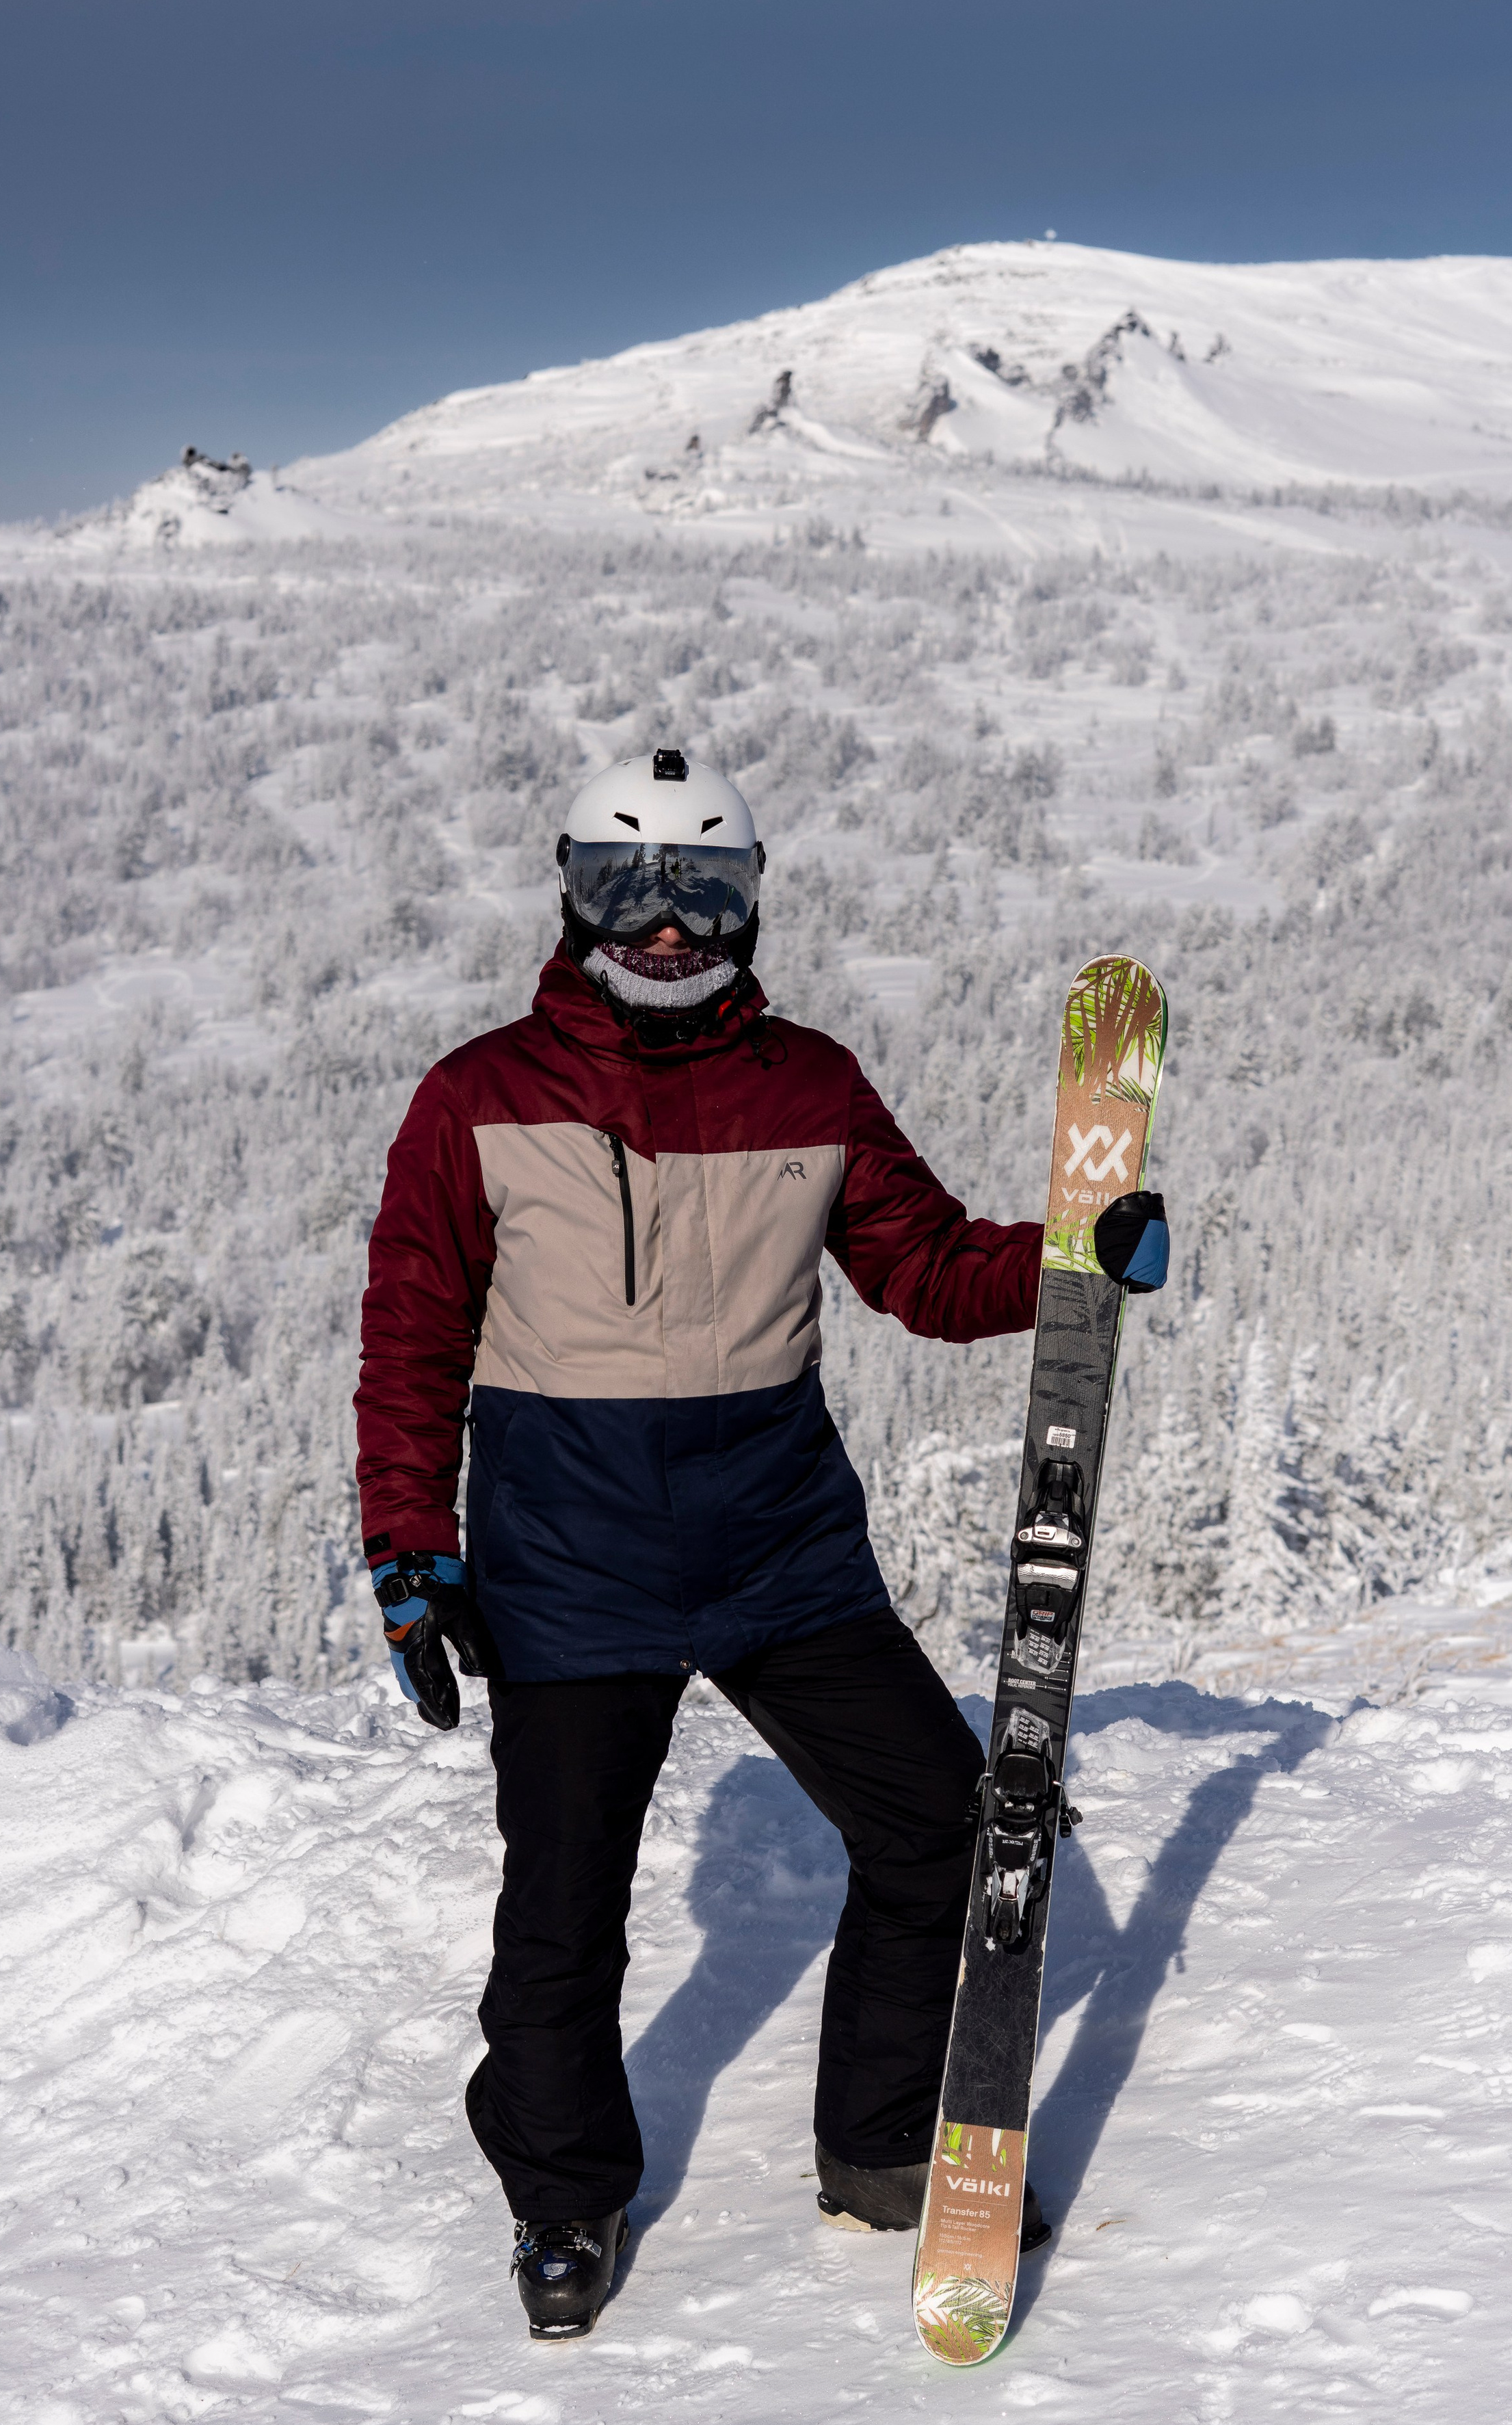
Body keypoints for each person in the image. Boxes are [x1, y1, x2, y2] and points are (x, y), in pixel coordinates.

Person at [354, 747, 1167, 2340]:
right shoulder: (478, 1096)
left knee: (938, 1829)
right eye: (628, 889)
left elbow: (923, 1270)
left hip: (777, 1551)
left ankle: (873, 2150)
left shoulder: (808, 1084)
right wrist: (409, 1546)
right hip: (566, 1565)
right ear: (572, 892)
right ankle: (563, 2190)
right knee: (563, 1909)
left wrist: (1070, 1256)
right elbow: (411, 1342)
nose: (665, 930)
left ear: (748, 904)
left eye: (702, 894)